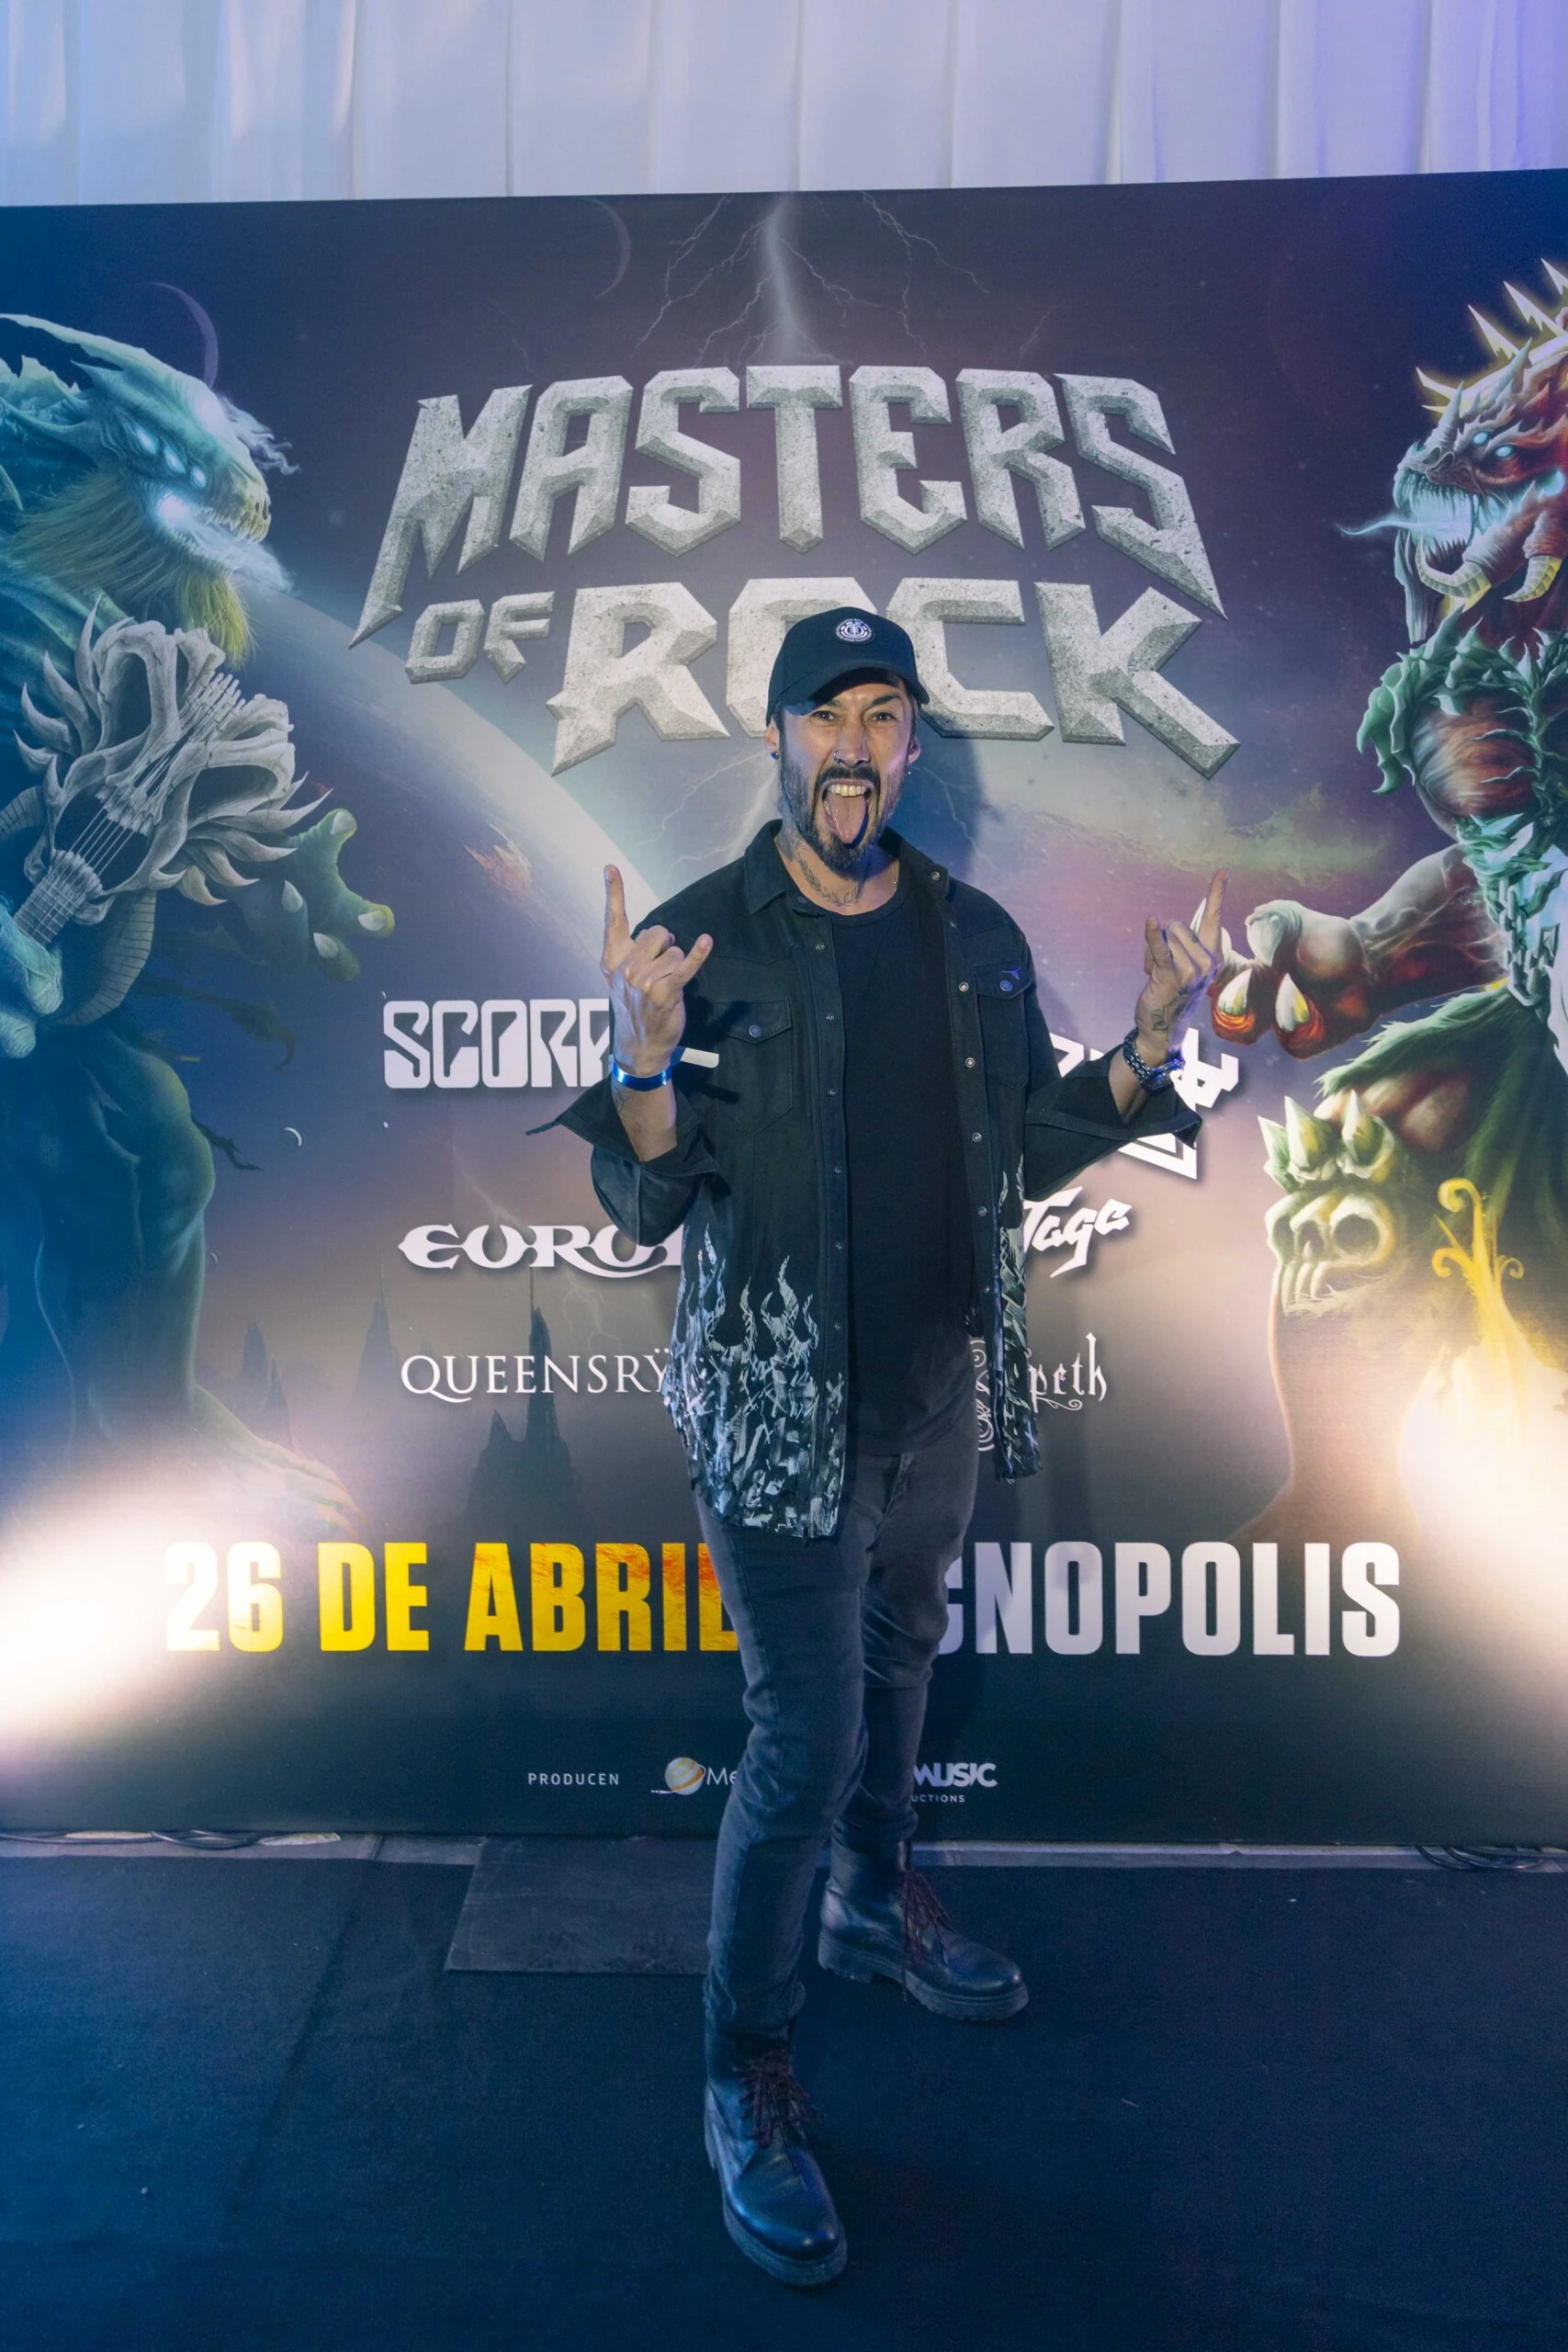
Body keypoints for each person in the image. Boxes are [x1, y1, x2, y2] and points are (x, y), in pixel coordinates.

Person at [559, 609, 1223, 2288]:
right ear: (776, 738)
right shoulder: (700, 942)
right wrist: (640, 1061)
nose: (853, 745)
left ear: (911, 743)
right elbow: (641, 1201)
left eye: (882, 715)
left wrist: (1147, 1048)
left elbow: (1021, 1148)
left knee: (903, 1654)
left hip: (934, 1392)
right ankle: (743, 2073)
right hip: (778, 1405)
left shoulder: (972, 934)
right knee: (804, 1733)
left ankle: (868, 1902)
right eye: (825, 716)